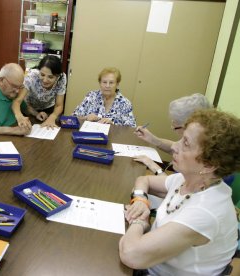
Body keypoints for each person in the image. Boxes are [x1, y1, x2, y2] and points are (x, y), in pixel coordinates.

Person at [120, 109, 240, 275]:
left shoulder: (204, 211)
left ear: (209, 165)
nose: (174, 147)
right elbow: (144, 180)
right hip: (153, 263)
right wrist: (140, 200)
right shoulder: (189, 180)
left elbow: (130, 254)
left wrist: (140, 220)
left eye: (185, 143)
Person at [133, 93, 212, 175]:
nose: (174, 147)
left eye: (176, 126)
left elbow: (172, 185)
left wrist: (151, 164)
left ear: (191, 126)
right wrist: (152, 139)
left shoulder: (203, 158)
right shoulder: (201, 138)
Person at [12, 55, 67, 129]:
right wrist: (20, 117)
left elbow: (59, 105)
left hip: (49, 108)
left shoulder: (62, 78)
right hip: (29, 108)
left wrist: (52, 117)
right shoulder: (32, 76)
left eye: (50, 77)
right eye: (42, 75)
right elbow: (17, 102)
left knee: (50, 128)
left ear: (57, 76)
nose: (45, 80)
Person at [72, 67, 136, 127]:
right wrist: (85, 118)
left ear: (117, 84)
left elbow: (131, 128)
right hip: (88, 136)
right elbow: (73, 117)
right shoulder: (91, 96)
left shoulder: (125, 103)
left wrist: (112, 124)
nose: (107, 86)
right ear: (100, 83)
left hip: (113, 138)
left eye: (111, 83)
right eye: (104, 82)